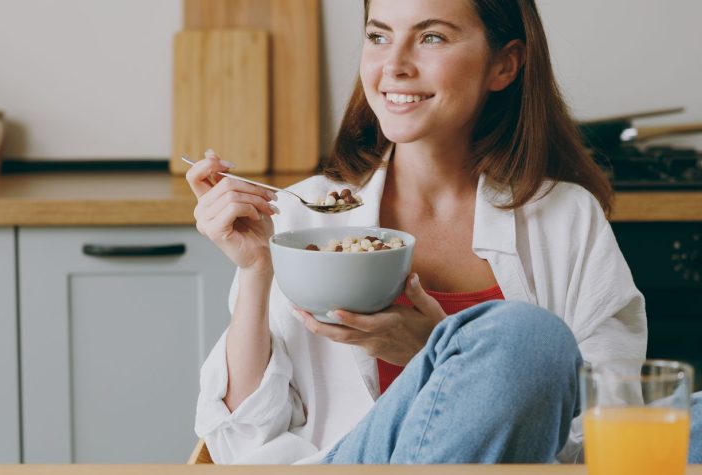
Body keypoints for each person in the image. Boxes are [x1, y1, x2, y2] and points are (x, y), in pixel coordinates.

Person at [185, 0, 676, 464]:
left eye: (432, 37)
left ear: (504, 65)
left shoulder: (566, 217)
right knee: (524, 334)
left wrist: (433, 351)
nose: (394, 64)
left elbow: (609, 428)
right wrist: (256, 269)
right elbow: (242, 444)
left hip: (526, 464)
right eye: (378, 36)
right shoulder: (302, 217)